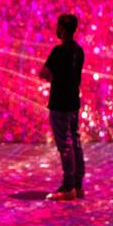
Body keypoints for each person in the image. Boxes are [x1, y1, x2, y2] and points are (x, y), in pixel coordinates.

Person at [39, 14, 85, 201]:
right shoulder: (78, 51)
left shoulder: (58, 51)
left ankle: (68, 187)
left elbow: (44, 73)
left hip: (59, 103)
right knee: (75, 142)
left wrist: (52, 77)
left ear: (63, 29)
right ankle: (77, 184)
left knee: (65, 145)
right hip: (73, 102)